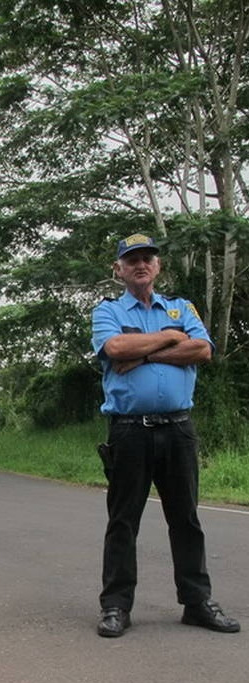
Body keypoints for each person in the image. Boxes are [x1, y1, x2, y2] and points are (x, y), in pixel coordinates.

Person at [91, 233, 239, 638]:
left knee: (186, 519)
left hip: (178, 429)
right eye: (132, 259)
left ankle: (197, 602)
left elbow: (202, 350)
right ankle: (116, 606)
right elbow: (116, 346)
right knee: (123, 522)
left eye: (148, 258)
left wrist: (148, 353)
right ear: (119, 269)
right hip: (128, 432)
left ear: (157, 266)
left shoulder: (180, 307)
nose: (141, 264)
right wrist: (172, 338)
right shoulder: (107, 311)